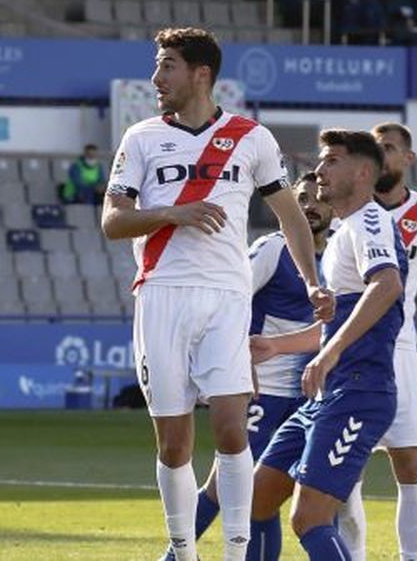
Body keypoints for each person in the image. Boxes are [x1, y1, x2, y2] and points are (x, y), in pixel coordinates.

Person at [101, 27, 332, 561]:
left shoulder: (252, 137)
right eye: (158, 67)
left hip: (228, 296)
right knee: (174, 444)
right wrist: (172, 213)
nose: (157, 79)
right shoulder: (140, 138)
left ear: (200, 73)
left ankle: (235, 551)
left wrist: (314, 279)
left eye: (167, 66)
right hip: (162, 292)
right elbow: (113, 222)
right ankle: (184, 551)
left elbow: (292, 219)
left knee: (232, 431)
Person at [248, 129, 406, 561]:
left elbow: (387, 285)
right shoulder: (341, 235)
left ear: (363, 172)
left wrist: (330, 353)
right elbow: (342, 321)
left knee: (309, 519)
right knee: (257, 500)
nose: (319, 170)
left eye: (331, 160)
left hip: (358, 391)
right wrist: (279, 346)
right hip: (327, 394)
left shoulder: (369, 221)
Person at [161, 172, 332, 561]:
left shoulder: (340, 256)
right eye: (300, 198)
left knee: (286, 494)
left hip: (310, 396)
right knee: (224, 485)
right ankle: (174, 556)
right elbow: (231, 297)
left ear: (333, 207)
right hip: (264, 391)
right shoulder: (273, 248)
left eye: (318, 199)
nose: (309, 205)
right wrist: (235, 358)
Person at [335, 123, 417, 561]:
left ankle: (412, 557)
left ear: (408, 158)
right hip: (347, 346)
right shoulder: (348, 212)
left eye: (389, 148)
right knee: (346, 466)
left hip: (400, 349)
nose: (381, 156)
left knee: (407, 461)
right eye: (376, 148)